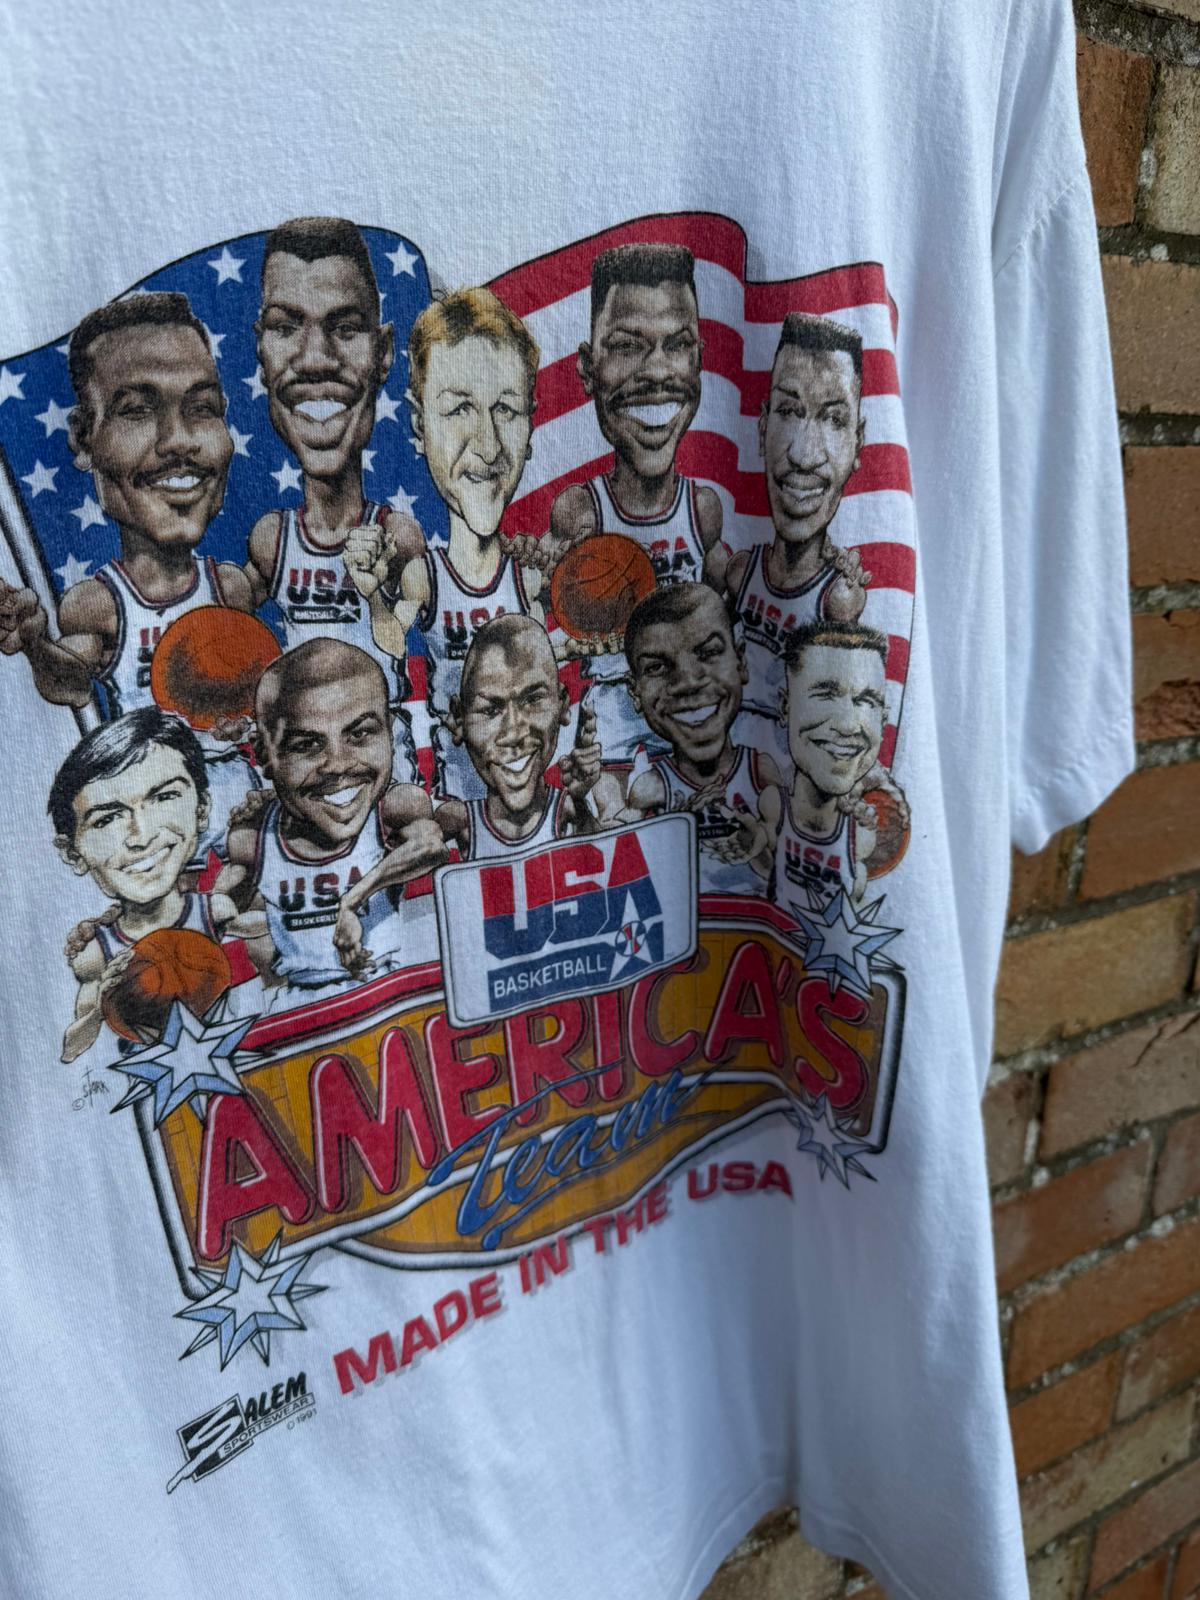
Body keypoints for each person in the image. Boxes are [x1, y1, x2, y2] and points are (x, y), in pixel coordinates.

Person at [0, 292, 252, 715]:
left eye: (201, 408)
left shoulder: (231, 588)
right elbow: (71, 681)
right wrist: (35, 644)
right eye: (137, 410)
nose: (178, 440)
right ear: (83, 438)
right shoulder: (98, 605)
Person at [243, 216, 424, 771]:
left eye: (345, 328)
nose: (316, 358)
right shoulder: (272, 539)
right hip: (304, 769)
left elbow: (425, 629)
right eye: (285, 327)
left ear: (383, 351)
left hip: (385, 764)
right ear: (260, 348)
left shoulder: (398, 535)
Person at [372, 286, 558, 798]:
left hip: (530, 803)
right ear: (419, 425)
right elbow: (390, 642)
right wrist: (373, 596)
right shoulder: (426, 576)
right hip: (458, 806)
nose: (489, 446)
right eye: (459, 410)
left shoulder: (529, 576)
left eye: (506, 410)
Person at [550, 243, 724, 762]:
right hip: (611, 754)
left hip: (693, 744)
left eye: (678, 345)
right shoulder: (579, 513)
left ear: (699, 360)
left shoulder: (703, 510)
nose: (657, 371)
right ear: (588, 368)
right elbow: (538, 629)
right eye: (628, 347)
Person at [215, 637, 446, 991]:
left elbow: (431, 846)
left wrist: (353, 901)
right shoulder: (253, 837)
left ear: (390, 733)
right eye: (306, 745)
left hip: (388, 990)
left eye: (360, 733)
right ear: (264, 755)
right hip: (300, 1005)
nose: (337, 764)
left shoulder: (394, 808)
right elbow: (226, 913)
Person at [47, 708, 263, 1061]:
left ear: (202, 809)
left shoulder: (215, 910)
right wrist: (101, 1004)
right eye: (107, 819)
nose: (141, 836)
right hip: (157, 1086)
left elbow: (279, 946)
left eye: (164, 798)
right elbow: (70, 1051)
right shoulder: (97, 954)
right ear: (73, 852)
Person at [727, 313, 871, 759]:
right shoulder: (737, 573)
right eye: (789, 412)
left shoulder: (839, 601)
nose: (804, 455)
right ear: (762, 427)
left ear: (858, 443)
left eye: (834, 420)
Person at [609, 582, 781, 898]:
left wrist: (758, 846)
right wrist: (682, 821)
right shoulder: (650, 790)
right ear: (635, 692)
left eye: (709, 653)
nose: (688, 682)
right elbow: (626, 878)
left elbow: (787, 877)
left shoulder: (762, 771)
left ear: (741, 662)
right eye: (657, 667)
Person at [436, 613, 601, 856]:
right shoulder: (456, 822)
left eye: (533, 700)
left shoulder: (569, 809)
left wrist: (580, 804)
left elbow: (604, 858)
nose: (514, 732)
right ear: (459, 719)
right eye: (491, 710)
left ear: (563, 704)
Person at [768, 620, 892, 915]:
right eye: (825, 695)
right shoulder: (768, 807)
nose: (848, 725)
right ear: (785, 707)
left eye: (866, 701)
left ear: (883, 721)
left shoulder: (863, 838)